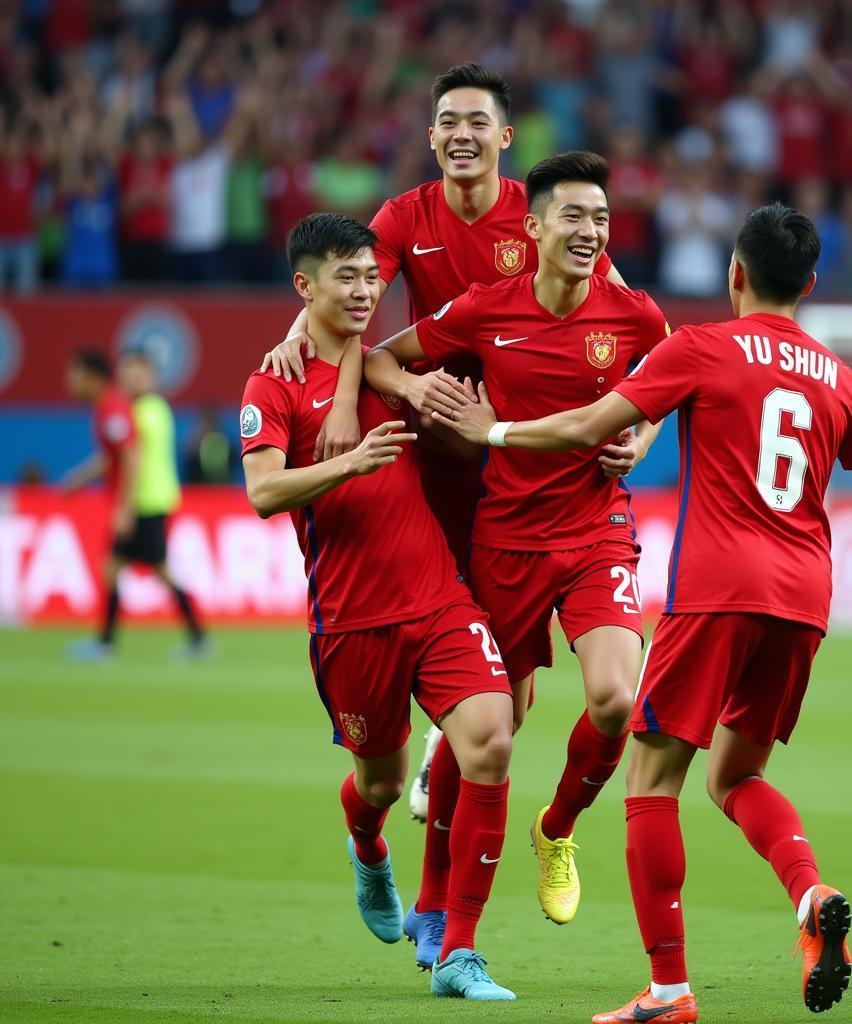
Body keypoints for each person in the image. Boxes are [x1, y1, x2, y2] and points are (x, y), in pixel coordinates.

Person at [431, 202, 852, 1023]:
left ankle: (669, 990)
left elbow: (586, 426)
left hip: (717, 590)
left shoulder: (702, 346)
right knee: (739, 774)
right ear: (811, 285)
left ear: (734, 274)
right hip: (804, 600)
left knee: (652, 781)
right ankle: (808, 893)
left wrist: (491, 428)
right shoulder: (842, 380)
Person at [259, 63, 625, 966]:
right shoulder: (402, 219)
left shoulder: (543, 221)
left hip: (534, 476)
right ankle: (417, 882)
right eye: (447, 121)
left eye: (478, 122)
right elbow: (350, 312)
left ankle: (458, 875)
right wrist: (342, 373)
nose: (461, 133)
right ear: (432, 138)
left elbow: (610, 327)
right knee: (467, 726)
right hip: (446, 470)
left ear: (506, 140)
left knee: (513, 708)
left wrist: (632, 429)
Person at [365, 150, 668, 936]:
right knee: (493, 728)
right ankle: (434, 904)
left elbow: (664, 380)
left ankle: (558, 827)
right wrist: (416, 389)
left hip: (597, 531)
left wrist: (641, 438)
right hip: (507, 539)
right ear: (532, 227)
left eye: (600, 217)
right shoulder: (483, 308)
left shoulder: (631, 311)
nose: (589, 230)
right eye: (573, 215)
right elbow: (381, 359)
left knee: (615, 700)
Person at [239, 212, 515, 1001]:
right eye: (345, 278)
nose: (364, 291)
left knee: (491, 742)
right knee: (384, 785)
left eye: (371, 277)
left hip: (438, 600)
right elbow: (263, 490)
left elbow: (435, 413)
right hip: (352, 621)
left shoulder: (390, 366)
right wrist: (352, 461)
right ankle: (367, 848)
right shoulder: (275, 380)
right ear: (306, 286)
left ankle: (460, 953)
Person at [63, 349, 206, 658]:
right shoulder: (144, 409)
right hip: (148, 501)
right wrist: (82, 478)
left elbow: (129, 455)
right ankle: (106, 642)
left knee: (155, 570)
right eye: (127, 372)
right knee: (116, 568)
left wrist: (123, 508)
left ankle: (196, 638)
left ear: (152, 377)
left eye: (139, 373)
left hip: (146, 502)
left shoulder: (145, 410)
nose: (131, 378)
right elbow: (116, 456)